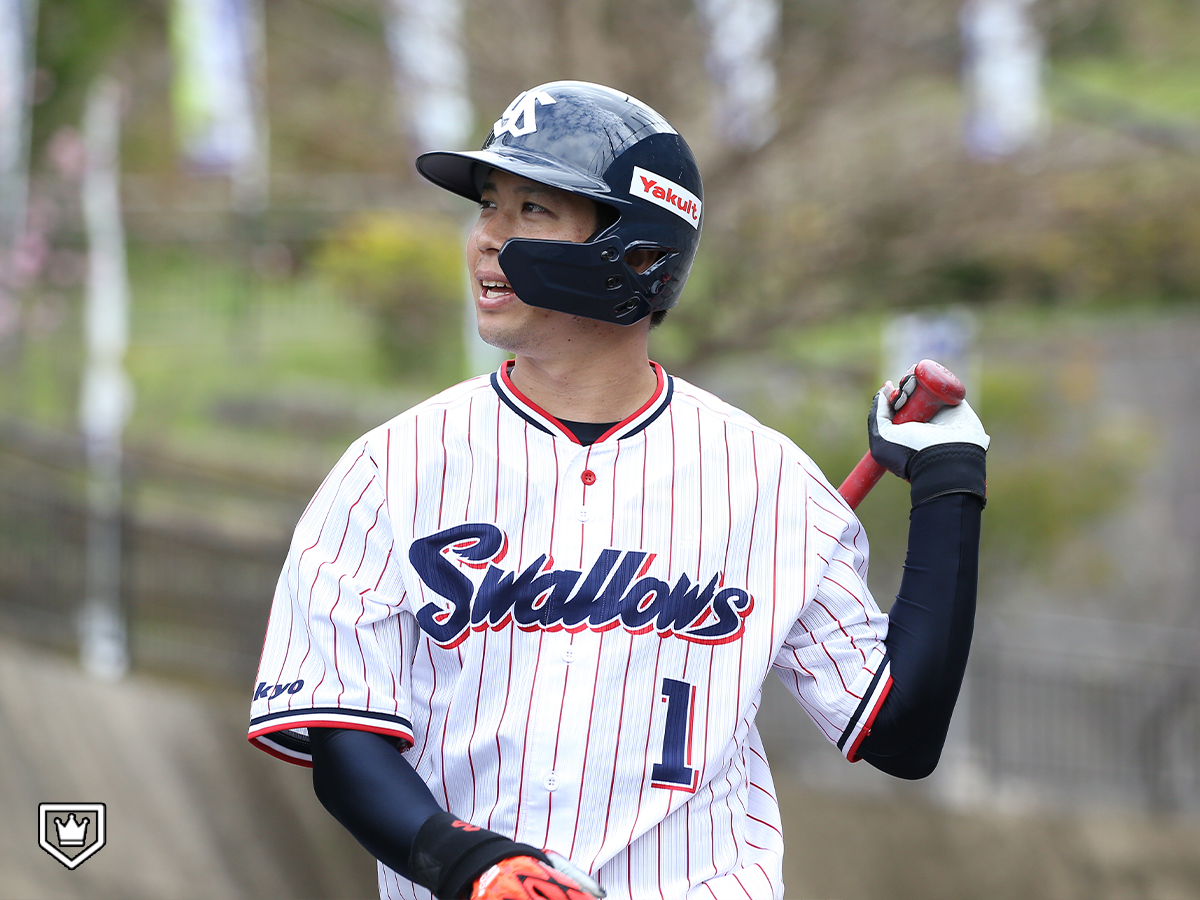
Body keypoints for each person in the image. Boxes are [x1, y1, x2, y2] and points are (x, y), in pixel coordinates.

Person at [248, 80, 989, 900]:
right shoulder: (390, 469)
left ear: (636, 250)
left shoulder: (767, 479)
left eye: (530, 210)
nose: (486, 239)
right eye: (488, 205)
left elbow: (901, 732)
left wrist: (950, 486)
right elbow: (345, 748)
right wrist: (472, 863)